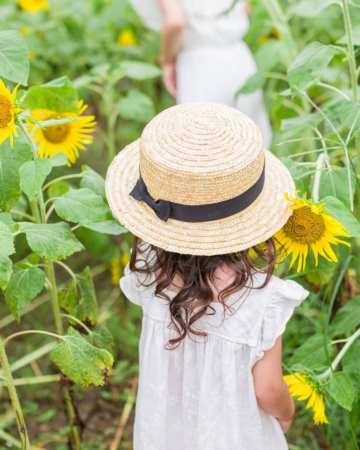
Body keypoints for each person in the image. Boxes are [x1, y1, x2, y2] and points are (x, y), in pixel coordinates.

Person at [105, 102, 309, 450]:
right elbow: (267, 389)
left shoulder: (150, 270)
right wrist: (287, 412)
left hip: (164, 432)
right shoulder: (262, 300)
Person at [129, 0, 272, 146]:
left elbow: (175, 21)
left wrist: (167, 61)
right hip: (239, 57)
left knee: (202, 149)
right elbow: (246, 9)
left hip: (200, 66)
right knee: (248, 145)